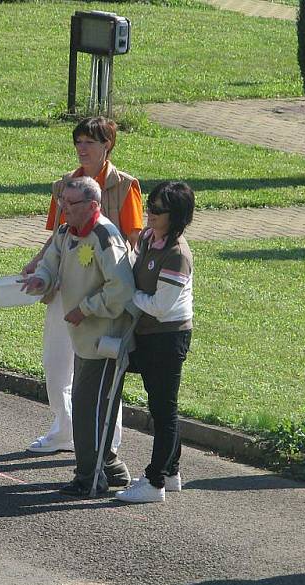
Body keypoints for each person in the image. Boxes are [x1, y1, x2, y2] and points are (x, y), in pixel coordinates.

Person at [21, 117, 142, 486]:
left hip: (104, 326)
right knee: (66, 377)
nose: (64, 208)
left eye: (71, 204)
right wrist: (41, 276)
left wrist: (86, 307)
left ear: (93, 205)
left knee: (93, 401)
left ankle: (90, 474)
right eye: (63, 203)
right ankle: (103, 462)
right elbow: (54, 250)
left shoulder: (108, 230)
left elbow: (122, 280)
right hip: (76, 314)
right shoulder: (67, 218)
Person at [115, 181, 194, 504]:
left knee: (164, 410)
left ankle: (154, 481)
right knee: (160, 406)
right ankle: (171, 471)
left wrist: (128, 295)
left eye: (158, 210)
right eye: (150, 205)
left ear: (175, 216)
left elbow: (161, 307)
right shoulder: (148, 238)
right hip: (148, 334)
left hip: (168, 336)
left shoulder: (177, 255)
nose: (149, 212)